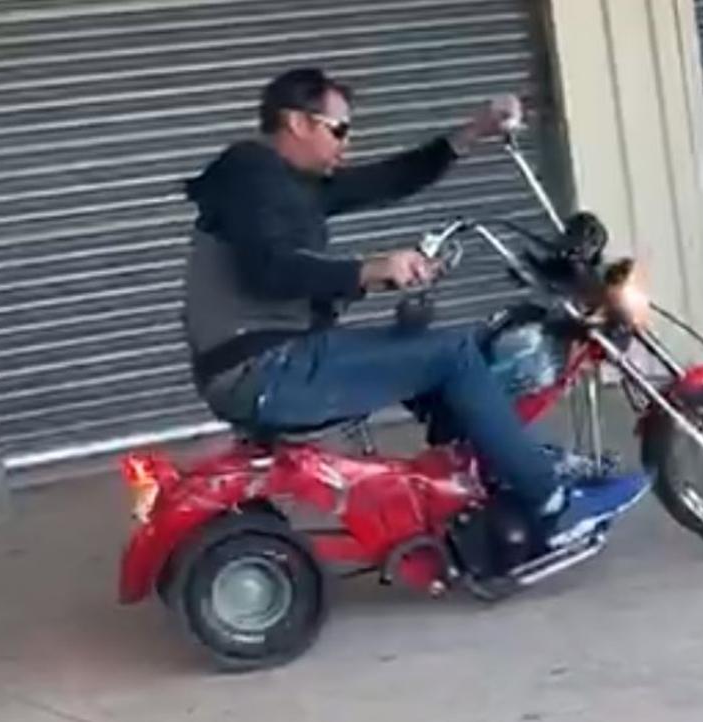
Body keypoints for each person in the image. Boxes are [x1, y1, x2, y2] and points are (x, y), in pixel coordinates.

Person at [183, 67, 649, 552]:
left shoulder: (292, 182)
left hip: (279, 355)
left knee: (447, 346)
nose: (349, 143)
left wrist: (471, 133)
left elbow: (389, 179)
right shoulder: (250, 176)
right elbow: (270, 270)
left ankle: (498, 465)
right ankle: (553, 507)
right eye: (339, 129)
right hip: (261, 371)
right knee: (453, 355)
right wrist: (370, 269)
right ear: (297, 123)